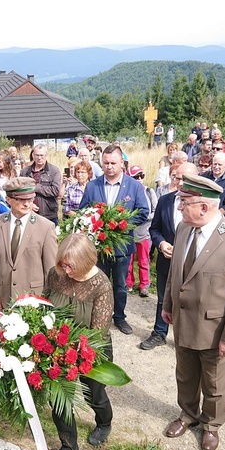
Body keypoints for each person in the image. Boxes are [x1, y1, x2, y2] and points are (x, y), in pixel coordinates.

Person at [162, 174, 225, 450]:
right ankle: (188, 414)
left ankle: (211, 424)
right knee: (186, 374)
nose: (179, 207)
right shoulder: (183, 229)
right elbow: (175, 273)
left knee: (214, 381)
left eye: (184, 202)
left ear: (204, 207)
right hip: (183, 321)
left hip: (215, 329)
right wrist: (168, 305)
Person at [44, 233, 114, 450]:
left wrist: (74, 351)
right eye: (62, 263)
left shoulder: (101, 285)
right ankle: (68, 446)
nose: (65, 269)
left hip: (90, 349)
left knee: (94, 394)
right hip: (57, 347)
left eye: (71, 265)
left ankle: (104, 423)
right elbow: (45, 304)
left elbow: (98, 331)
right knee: (59, 398)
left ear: (86, 262)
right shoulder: (56, 275)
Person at [79, 144, 149, 335]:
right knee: (97, 283)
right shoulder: (93, 186)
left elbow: (144, 211)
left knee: (119, 285)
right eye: (106, 163)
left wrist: (121, 223)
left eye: (113, 163)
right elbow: (83, 211)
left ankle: (119, 317)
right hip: (98, 247)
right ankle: (97, 317)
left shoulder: (134, 186)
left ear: (122, 163)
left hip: (121, 247)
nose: (109, 167)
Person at [140, 162, 198, 351]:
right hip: (167, 260)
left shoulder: (203, 204)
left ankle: (188, 337)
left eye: (184, 178)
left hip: (193, 263)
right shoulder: (165, 200)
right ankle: (159, 332)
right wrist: (161, 243)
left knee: (192, 300)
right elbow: (154, 228)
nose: (179, 182)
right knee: (163, 298)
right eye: (176, 177)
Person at [0, 177, 57, 309]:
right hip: (6, 296)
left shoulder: (46, 227)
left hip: (35, 299)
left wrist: (48, 300)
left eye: (30, 199)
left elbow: (51, 271)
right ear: (8, 199)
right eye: (21, 199)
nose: (27, 204)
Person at [125, 166, 157, 297]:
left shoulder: (149, 192)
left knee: (144, 260)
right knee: (128, 261)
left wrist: (142, 217)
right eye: (135, 177)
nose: (139, 179)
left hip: (144, 232)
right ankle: (128, 283)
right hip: (129, 232)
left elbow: (155, 211)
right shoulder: (126, 193)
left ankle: (144, 285)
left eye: (141, 176)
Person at [20, 144, 62, 225]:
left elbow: (56, 191)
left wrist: (37, 188)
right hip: (28, 213)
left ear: (46, 155)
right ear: (33, 155)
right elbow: (20, 192)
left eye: (42, 155)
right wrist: (29, 205)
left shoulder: (54, 171)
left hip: (49, 215)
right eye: (37, 155)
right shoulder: (25, 172)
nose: (39, 158)